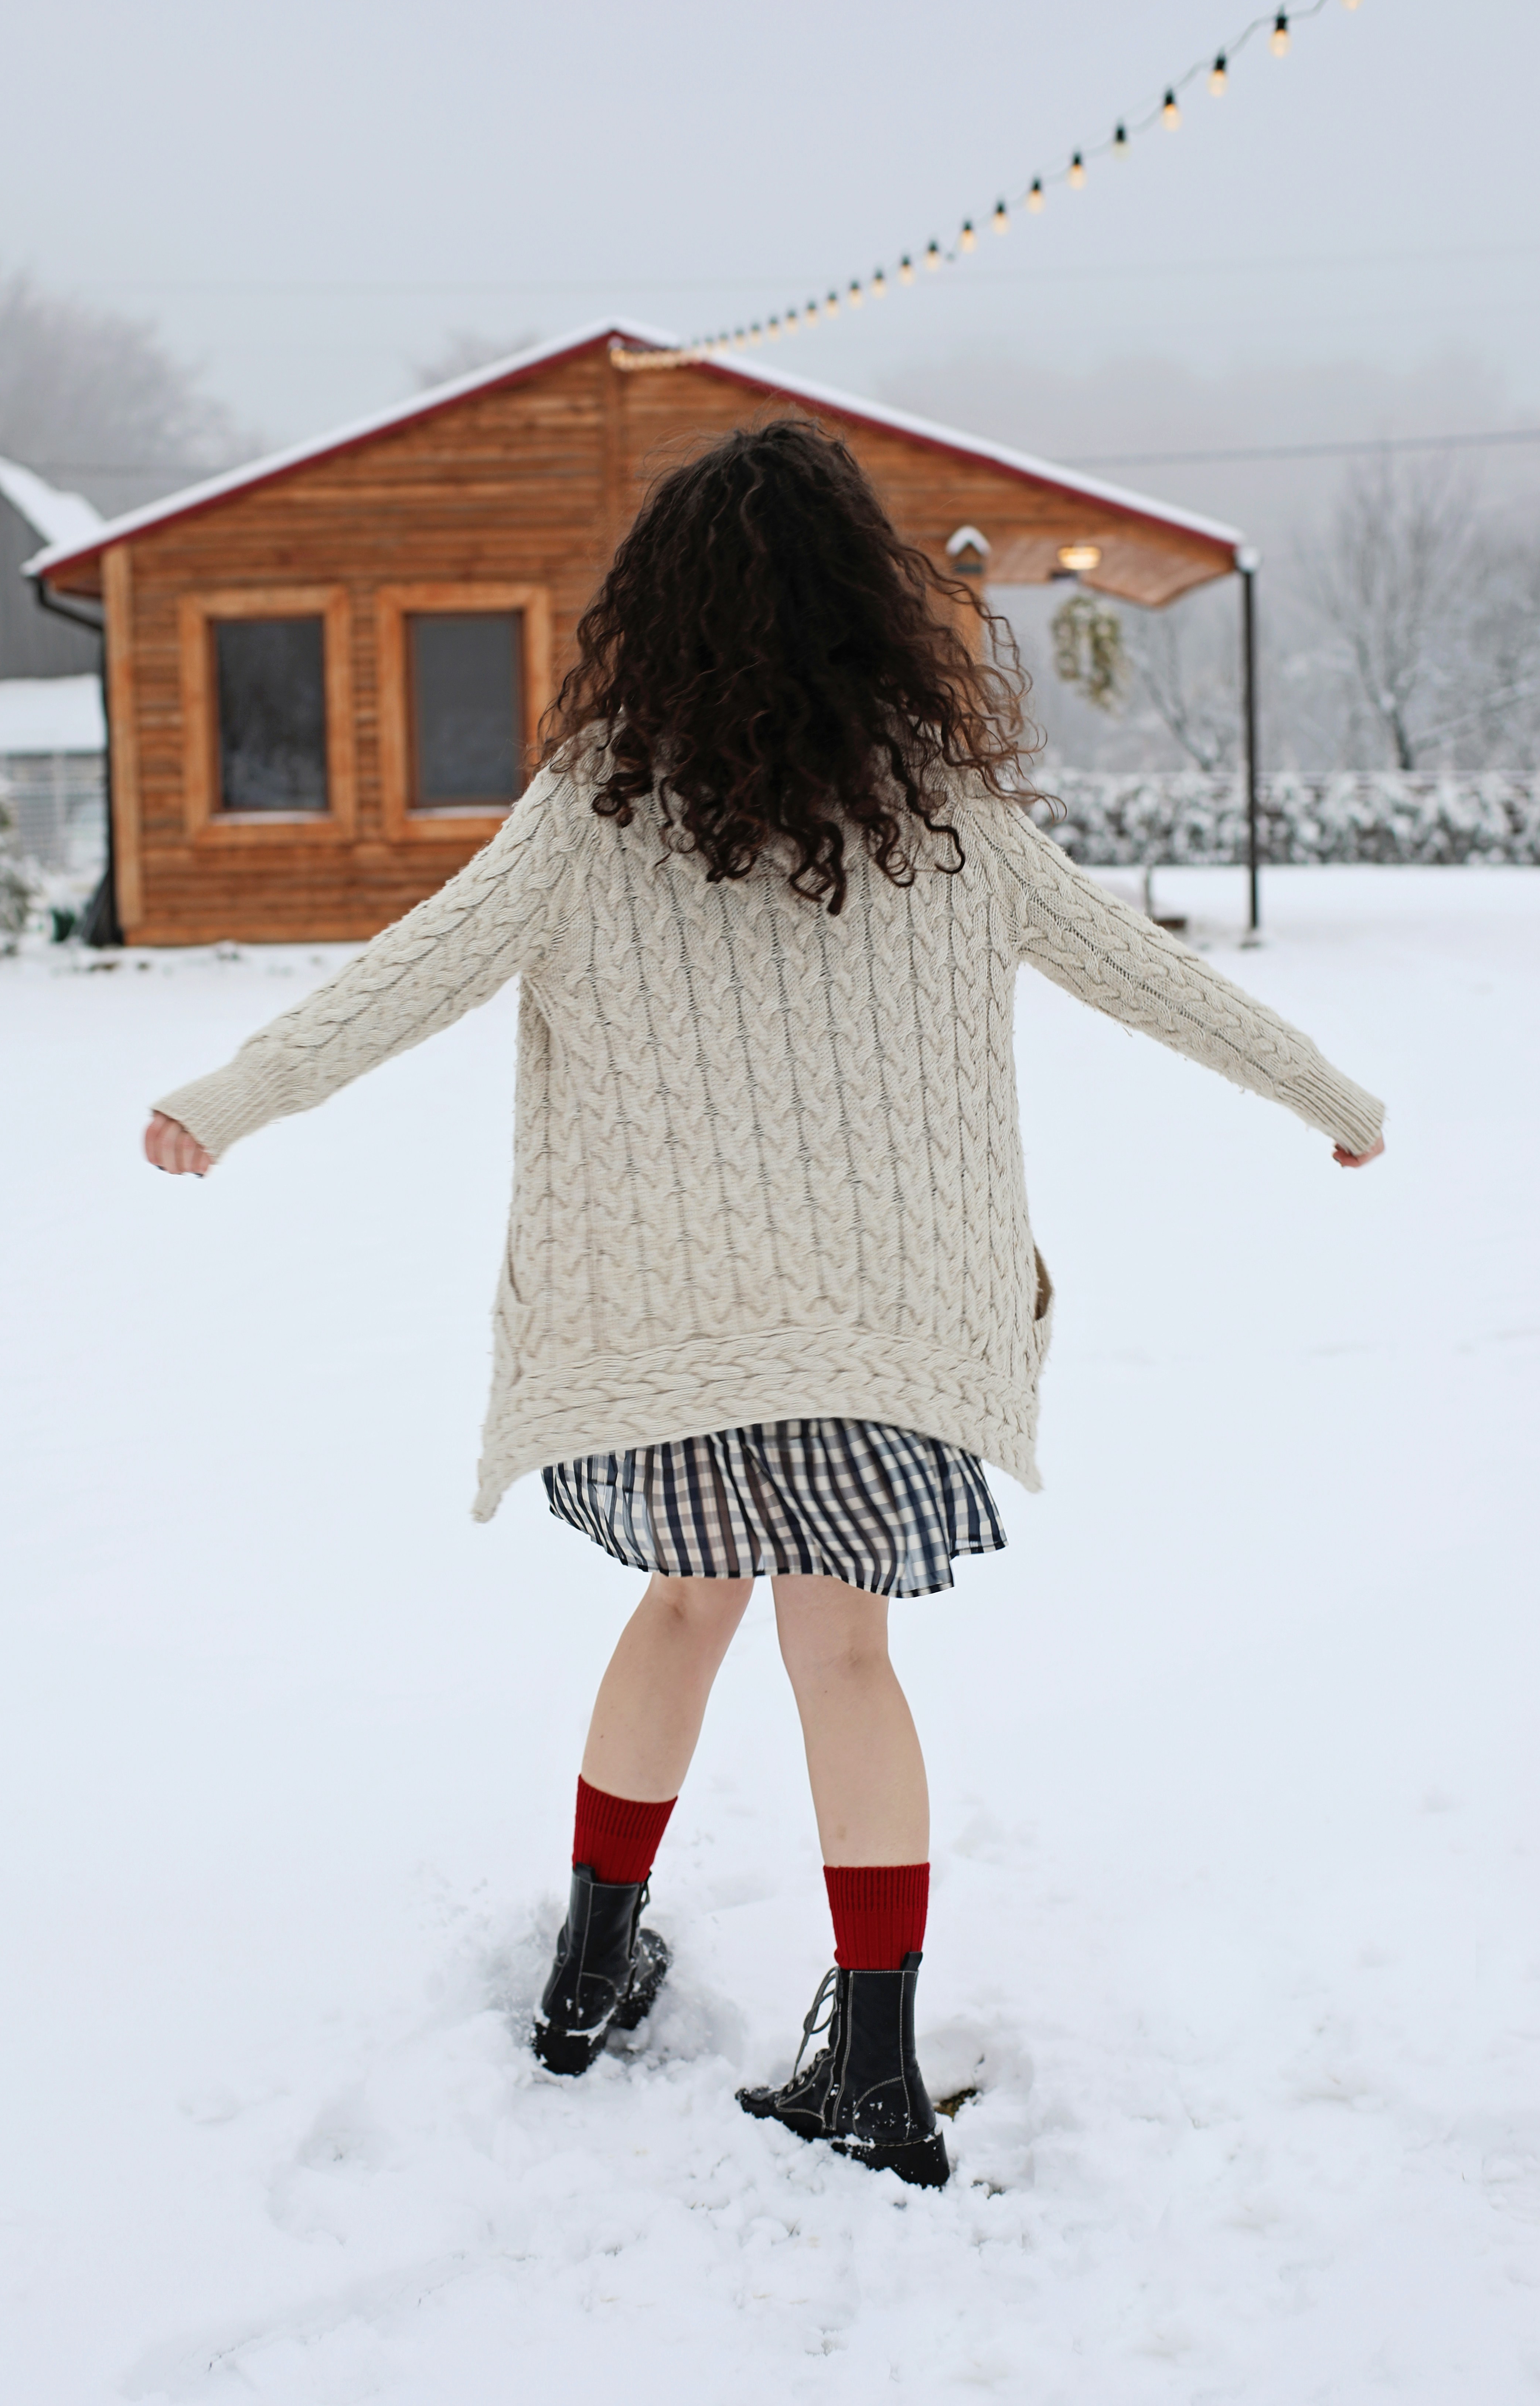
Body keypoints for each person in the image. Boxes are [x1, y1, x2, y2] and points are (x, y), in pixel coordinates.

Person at [146, 420, 1384, 2191]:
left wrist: (225, 1102)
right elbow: (1151, 980)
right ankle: (872, 2070)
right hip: (886, 1332)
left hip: (666, 1328)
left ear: (656, 613)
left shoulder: (592, 815)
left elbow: (405, 973)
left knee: (678, 1614)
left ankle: (587, 1976)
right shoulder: (947, 819)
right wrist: (1333, 1099)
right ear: (867, 612)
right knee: (849, 1653)